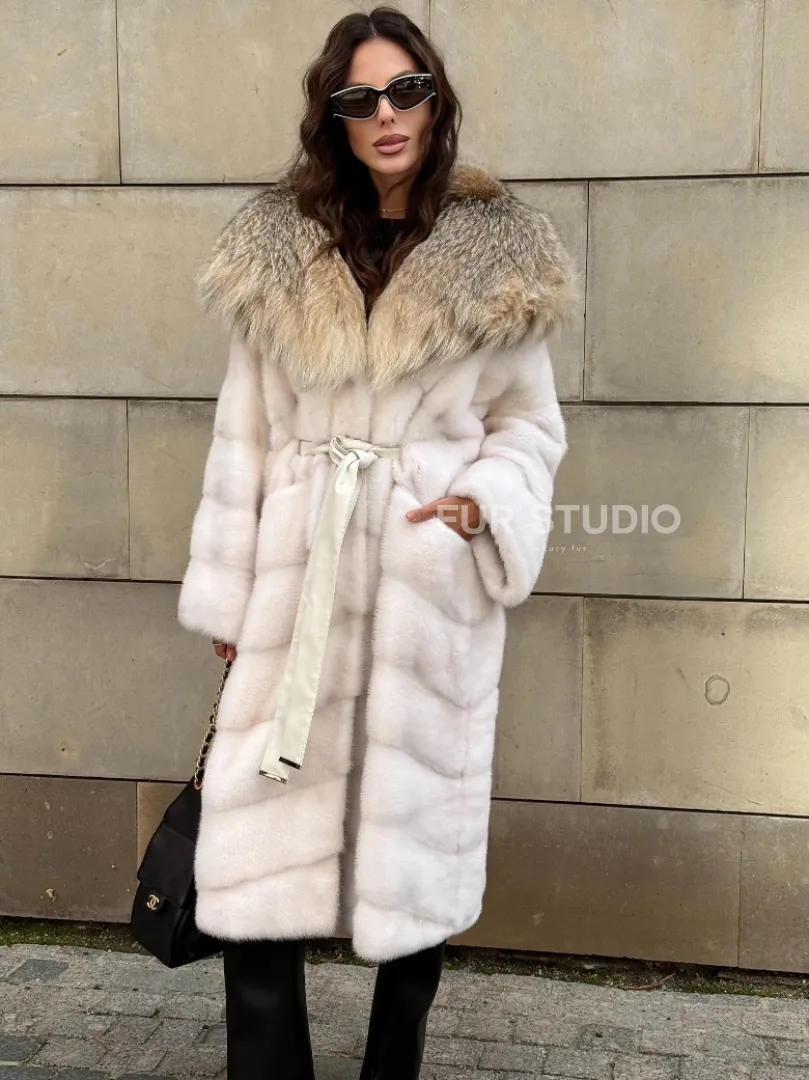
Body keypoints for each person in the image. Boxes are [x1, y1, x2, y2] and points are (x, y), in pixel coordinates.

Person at [177, 6, 579, 1078]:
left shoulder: (499, 261)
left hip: (422, 585)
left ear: (434, 102)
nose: (388, 114)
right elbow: (243, 436)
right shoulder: (278, 254)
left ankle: (392, 1060)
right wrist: (228, 599)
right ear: (335, 117)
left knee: (414, 856)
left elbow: (528, 430)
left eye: (407, 90)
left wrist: (477, 506)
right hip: (294, 583)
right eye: (362, 98)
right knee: (254, 852)